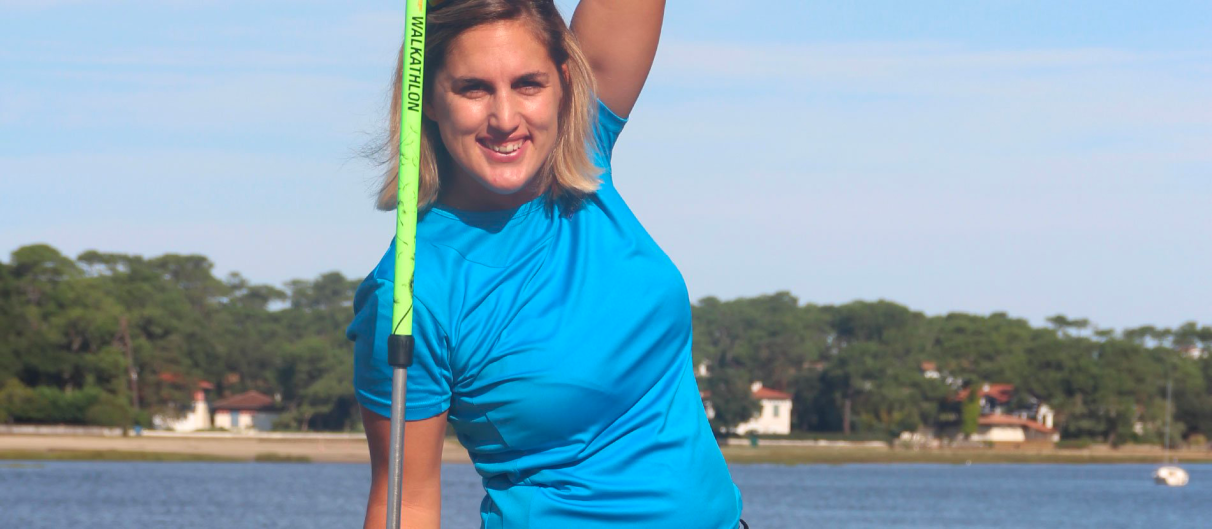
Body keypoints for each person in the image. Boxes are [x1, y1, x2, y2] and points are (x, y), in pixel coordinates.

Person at [346, 1, 744, 527]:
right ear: (430, 100)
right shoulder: (411, 291)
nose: (505, 119)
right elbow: (407, 501)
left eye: (528, 84)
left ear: (563, 83)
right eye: (473, 88)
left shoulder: (584, 155)